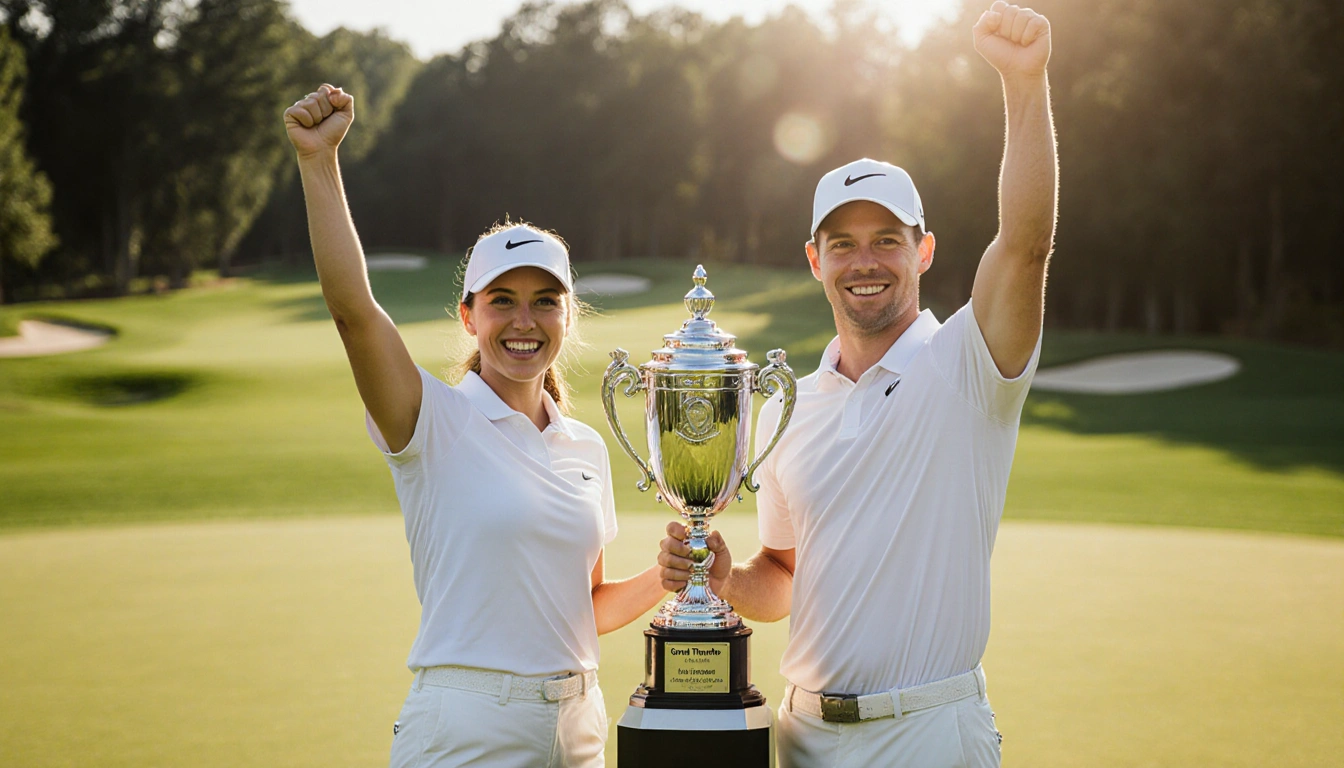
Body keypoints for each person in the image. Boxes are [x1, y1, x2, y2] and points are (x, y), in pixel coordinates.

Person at [657, 4, 1057, 766]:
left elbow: (1027, 244)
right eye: (843, 244)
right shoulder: (785, 408)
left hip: (930, 734)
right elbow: (783, 574)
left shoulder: (970, 364)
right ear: (815, 260)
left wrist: (1025, 84)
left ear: (924, 250)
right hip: (803, 737)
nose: (864, 262)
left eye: (886, 241)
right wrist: (723, 576)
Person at [284, 83, 665, 768]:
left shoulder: (582, 446)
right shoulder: (433, 419)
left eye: (545, 301)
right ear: (470, 316)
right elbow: (355, 313)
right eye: (502, 301)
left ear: (568, 317)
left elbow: (585, 607)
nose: (525, 321)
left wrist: (673, 575)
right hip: (467, 729)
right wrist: (320, 163)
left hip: (578, 727)